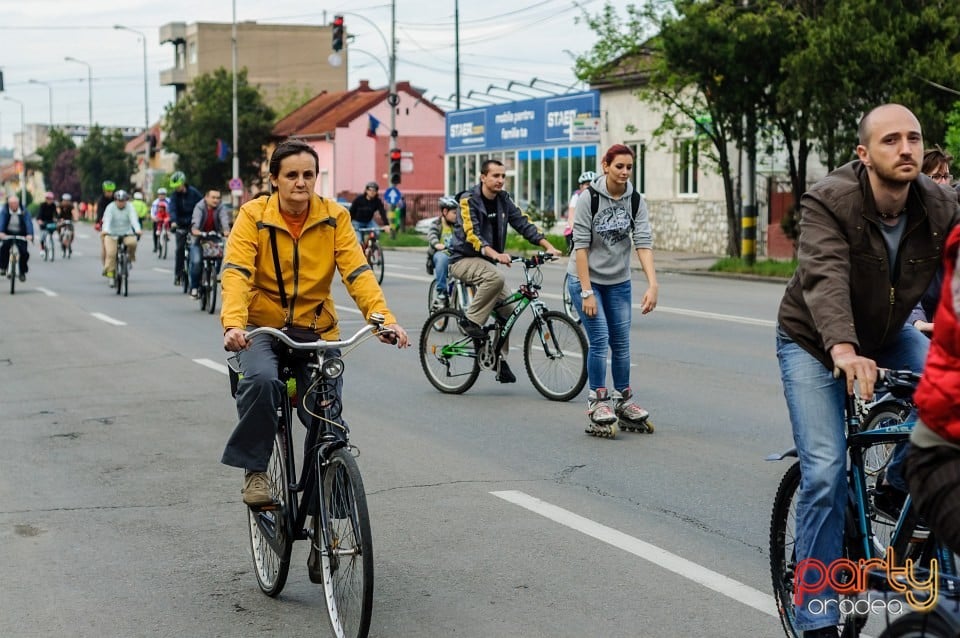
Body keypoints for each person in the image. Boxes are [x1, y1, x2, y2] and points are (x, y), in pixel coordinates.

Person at [774, 103, 960, 638]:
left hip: (890, 331)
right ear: (863, 153)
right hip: (813, 339)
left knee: (946, 405)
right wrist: (842, 349)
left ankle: (897, 486)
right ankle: (815, 616)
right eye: (891, 140)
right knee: (827, 472)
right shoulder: (830, 200)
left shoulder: (939, 202)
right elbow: (824, 278)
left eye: (914, 139)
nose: (906, 148)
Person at [220, 139, 409, 508]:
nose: (301, 182)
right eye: (291, 175)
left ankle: (328, 510)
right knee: (262, 381)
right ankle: (255, 471)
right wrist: (234, 324)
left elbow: (357, 272)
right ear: (275, 179)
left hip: (316, 329)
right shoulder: (253, 215)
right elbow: (237, 272)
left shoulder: (333, 216)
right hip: (262, 327)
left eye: (309, 174)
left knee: (327, 416)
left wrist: (383, 320)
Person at [566, 146, 657, 432]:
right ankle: (597, 400)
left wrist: (653, 284)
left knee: (621, 343)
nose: (625, 172)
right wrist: (586, 291)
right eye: (619, 166)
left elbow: (643, 242)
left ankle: (623, 399)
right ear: (606, 166)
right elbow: (580, 247)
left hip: (619, 281)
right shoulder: (588, 199)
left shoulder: (636, 200)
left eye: (629, 167)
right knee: (601, 337)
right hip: (586, 279)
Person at [447, 158, 562, 383]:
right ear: (483, 177)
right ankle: (470, 321)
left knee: (509, 310)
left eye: (503, 176)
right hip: (463, 259)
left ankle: (498, 360)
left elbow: (522, 222)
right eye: (495, 176)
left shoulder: (503, 200)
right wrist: (495, 254)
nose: (501, 180)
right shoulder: (468, 200)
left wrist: (547, 246)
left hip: (487, 263)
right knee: (496, 277)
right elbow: (473, 234)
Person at [904, 221, 960, 555]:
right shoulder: (934, 244)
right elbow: (909, 297)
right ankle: (894, 482)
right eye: (935, 173)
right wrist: (921, 323)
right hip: (925, 339)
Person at [906, 146, 955, 335]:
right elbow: (905, 288)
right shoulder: (907, 227)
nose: (943, 183)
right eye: (936, 176)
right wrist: (919, 323)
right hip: (908, 325)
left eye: (946, 176)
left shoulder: (952, 220)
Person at [188, 189, 231, 298]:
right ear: (206, 197)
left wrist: (226, 230)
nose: (216, 200)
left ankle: (212, 275)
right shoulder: (199, 207)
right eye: (213, 197)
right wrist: (195, 230)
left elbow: (224, 219)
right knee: (197, 261)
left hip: (214, 237)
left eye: (218, 198)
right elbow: (195, 221)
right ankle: (194, 287)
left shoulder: (221, 207)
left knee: (221, 255)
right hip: (199, 238)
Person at [167, 171, 204, 288]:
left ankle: (202, 273)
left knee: (199, 248)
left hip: (194, 224)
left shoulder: (194, 193)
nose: (177, 189)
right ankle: (178, 274)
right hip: (180, 225)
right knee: (179, 249)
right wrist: (173, 222)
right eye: (175, 187)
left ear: (183, 183)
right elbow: (172, 209)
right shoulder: (174, 196)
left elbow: (202, 205)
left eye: (178, 186)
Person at [100, 190, 142, 284]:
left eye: (123, 200)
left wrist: (137, 230)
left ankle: (129, 259)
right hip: (111, 233)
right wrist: (105, 230)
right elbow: (107, 220)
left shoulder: (130, 207)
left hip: (126, 232)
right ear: (115, 200)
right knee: (111, 253)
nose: (121, 203)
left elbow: (133, 219)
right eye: (119, 200)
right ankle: (110, 273)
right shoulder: (110, 207)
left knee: (133, 243)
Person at [427, 196, 459, 307]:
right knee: (442, 258)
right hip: (441, 253)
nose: (457, 216)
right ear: (445, 212)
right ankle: (441, 292)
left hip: (457, 254)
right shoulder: (436, 224)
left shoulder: (458, 225)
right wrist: (436, 244)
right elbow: (431, 235)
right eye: (455, 213)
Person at [0, 196, 34, 280]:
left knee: (24, 253)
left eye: (15, 203)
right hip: (7, 233)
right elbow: (2, 221)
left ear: (18, 203)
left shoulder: (24, 211)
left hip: (21, 234)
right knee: (3, 249)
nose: (13, 205)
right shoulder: (5, 211)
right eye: (11, 203)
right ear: (9, 204)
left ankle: (22, 272)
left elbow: (28, 222)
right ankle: (3, 267)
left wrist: (29, 234)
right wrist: (1, 232)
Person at [566, 171, 596, 254]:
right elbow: (571, 215)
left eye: (593, 184)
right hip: (575, 231)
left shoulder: (597, 197)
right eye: (587, 184)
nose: (590, 187)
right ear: (581, 186)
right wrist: (574, 230)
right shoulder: (577, 196)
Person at [95, 180, 117, 270]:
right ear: (104, 191)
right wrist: (98, 223)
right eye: (108, 191)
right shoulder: (101, 201)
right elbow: (99, 214)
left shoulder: (116, 199)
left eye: (111, 191)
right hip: (105, 224)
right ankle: (106, 266)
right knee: (105, 246)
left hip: (117, 224)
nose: (109, 193)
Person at [151, 187, 170, 253]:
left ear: (165, 195)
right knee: (155, 230)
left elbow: (172, 210)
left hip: (166, 217)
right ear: (158, 195)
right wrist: (153, 217)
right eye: (160, 194)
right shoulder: (155, 202)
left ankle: (167, 234)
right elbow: (152, 211)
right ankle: (156, 246)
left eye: (163, 194)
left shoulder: (169, 201)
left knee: (169, 225)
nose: (162, 196)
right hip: (158, 217)